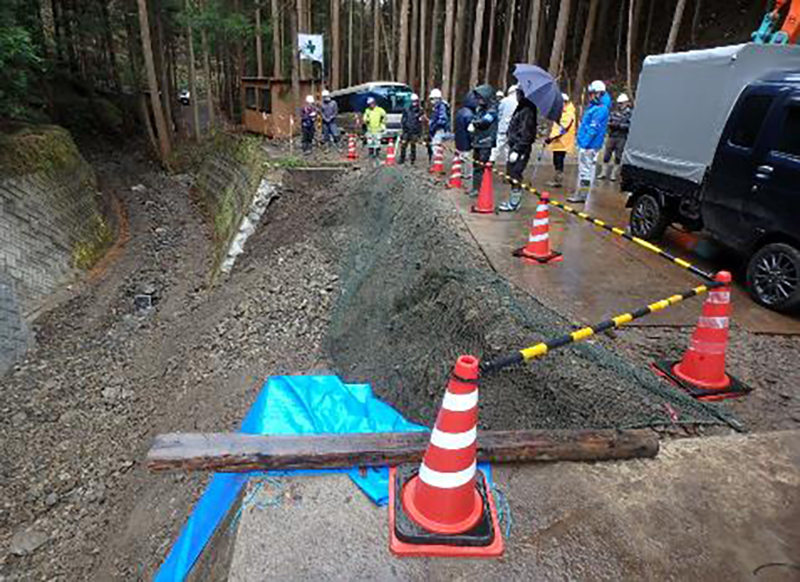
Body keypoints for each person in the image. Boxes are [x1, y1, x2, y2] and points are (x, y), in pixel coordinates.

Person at [568, 80, 611, 204]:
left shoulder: (601, 109)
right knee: (585, 170)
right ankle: (581, 193)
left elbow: (593, 129)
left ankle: (582, 195)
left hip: (589, 146)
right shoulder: (595, 107)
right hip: (588, 144)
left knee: (585, 172)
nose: (590, 96)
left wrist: (584, 144)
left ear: (599, 94)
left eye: (592, 93)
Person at [498, 88, 537, 211]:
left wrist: (517, 149)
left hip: (521, 149)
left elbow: (526, 134)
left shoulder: (528, 111)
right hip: (515, 145)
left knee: (515, 173)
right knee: (511, 172)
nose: (516, 96)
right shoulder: (521, 108)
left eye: (519, 94)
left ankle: (514, 202)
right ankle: (513, 200)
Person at [468, 84, 499, 196]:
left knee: (482, 166)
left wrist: (474, 123)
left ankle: (482, 189)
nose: (479, 100)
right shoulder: (480, 108)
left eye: (481, 97)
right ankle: (476, 188)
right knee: (476, 165)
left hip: (486, 141)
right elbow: (476, 118)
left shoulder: (492, 109)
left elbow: (486, 121)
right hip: (478, 140)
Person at [598, 93, 633, 182]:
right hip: (612, 136)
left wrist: (619, 125)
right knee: (606, 155)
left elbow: (630, 125)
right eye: (619, 103)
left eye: (622, 103)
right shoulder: (614, 112)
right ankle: (603, 173)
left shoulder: (630, 113)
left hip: (622, 137)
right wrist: (611, 124)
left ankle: (613, 174)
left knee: (618, 156)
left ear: (626, 103)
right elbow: (609, 121)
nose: (620, 105)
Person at [545, 93, 577, 188]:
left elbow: (563, 128)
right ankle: (557, 179)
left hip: (562, 142)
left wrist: (551, 138)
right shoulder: (563, 111)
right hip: (559, 141)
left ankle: (558, 180)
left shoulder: (568, 113)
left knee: (558, 160)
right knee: (557, 160)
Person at [454, 91, 478, 183]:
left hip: (459, 139)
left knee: (461, 157)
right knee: (467, 158)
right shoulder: (470, 115)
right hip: (466, 141)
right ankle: (467, 174)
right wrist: (473, 140)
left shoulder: (460, 112)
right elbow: (470, 130)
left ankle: (461, 172)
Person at [491, 85, 518, 163]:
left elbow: (499, 113)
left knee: (498, 146)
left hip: (503, 128)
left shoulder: (504, 101)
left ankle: (491, 160)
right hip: (512, 129)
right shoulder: (518, 102)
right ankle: (509, 162)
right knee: (508, 147)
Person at [428, 88, 451, 163]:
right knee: (435, 146)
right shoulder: (437, 107)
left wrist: (434, 125)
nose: (431, 101)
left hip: (439, 130)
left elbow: (442, 120)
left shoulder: (441, 107)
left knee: (436, 147)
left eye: (432, 99)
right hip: (436, 129)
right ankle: (436, 165)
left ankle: (438, 166)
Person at [399, 93, 424, 164]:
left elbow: (420, 123)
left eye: (415, 101)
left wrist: (420, 132)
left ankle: (413, 159)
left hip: (414, 130)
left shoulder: (420, 110)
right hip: (406, 130)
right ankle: (402, 158)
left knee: (413, 145)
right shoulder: (406, 109)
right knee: (404, 145)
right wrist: (403, 128)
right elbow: (403, 119)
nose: (414, 103)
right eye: (413, 101)